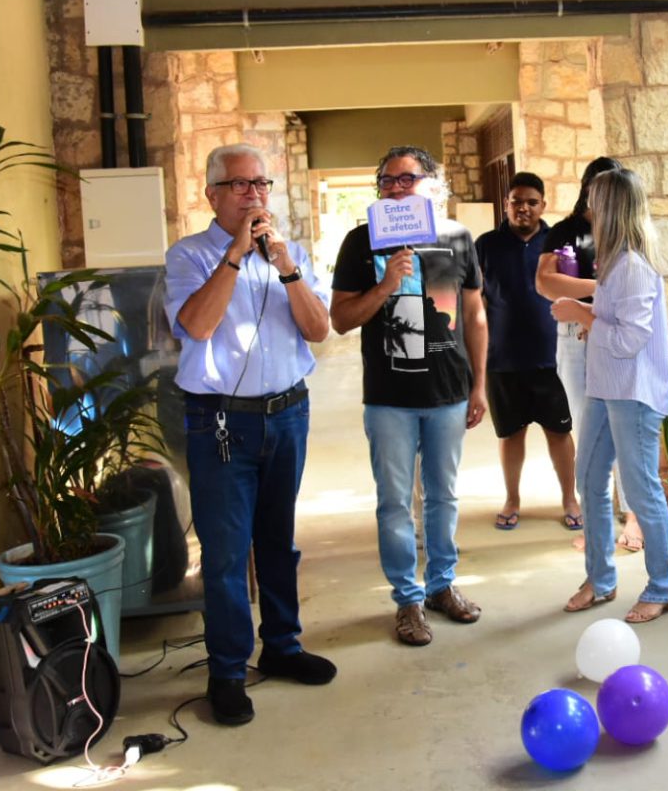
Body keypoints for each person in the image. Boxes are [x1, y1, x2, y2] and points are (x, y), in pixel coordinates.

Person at [164, 143, 335, 726]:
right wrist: (236, 254)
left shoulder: (291, 254)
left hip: (287, 415)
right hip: (220, 422)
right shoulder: (189, 255)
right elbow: (197, 325)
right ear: (212, 194)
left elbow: (318, 329)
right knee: (227, 552)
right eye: (240, 184)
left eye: (261, 183)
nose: (253, 194)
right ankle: (228, 672)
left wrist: (285, 266)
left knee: (278, 541)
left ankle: (283, 646)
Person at [330, 145, 489, 648]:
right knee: (395, 503)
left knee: (443, 496)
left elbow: (474, 315)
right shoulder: (361, 241)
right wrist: (384, 285)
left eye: (408, 178)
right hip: (389, 397)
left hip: (448, 393)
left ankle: (442, 585)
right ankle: (407, 599)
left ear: (433, 186)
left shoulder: (457, 238)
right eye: (388, 180)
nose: (397, 188)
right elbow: (340, 319)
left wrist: (479, 384)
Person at [552, 168, 668, 624]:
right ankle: (600, 578)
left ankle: (663, 586)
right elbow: (618, 328)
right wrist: (590, 316)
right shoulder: (612, 263)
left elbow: (629, 341)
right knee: (588, 479)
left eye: (594, 200)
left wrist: (580, 314)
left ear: (612, 208)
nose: (588, 208)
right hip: (605, 389)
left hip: (634, 394)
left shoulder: (633, 267)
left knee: (641, 490)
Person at [535, 156, 646, 552]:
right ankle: (596, 521)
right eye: (597, 186)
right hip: (574, 336)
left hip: (618, 332)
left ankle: (633, 515)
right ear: (586, 187)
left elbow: (639, 284)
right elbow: (545, 282)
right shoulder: (565, 230)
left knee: (626, 425)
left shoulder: (629, 233)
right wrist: (599, 288)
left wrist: (591, 294)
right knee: (588, 427)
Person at [474, 172, 581, 531]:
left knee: (559, 433)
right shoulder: (486, 245)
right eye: (516, 201)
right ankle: (512, 499)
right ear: (506, 204)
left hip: (553, 358)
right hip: (502, 359)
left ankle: (570, 498)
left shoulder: (557, 243)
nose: (523, 208)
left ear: (543, 206)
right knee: (510, 434)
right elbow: (474, 301)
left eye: (531, 202)